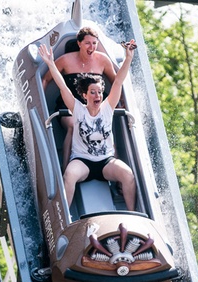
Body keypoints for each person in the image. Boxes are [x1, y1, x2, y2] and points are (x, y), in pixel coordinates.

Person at [39, 39, 138, 211]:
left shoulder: (108, 107)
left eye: (99, 92)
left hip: (106, 162)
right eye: (93, 92)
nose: (97, 95)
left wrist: (128, 57)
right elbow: (63, 87)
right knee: (69, 175)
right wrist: (49, 63)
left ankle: (133, 214)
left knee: (128, 175)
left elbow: (118, 81)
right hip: (82, 161)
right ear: (85, 95)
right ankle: (65, 219)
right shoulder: (78, 109)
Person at [42, 27, 117, 168]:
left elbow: (116, 81)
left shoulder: (103, 60)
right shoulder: (65, 60)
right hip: (70, 105)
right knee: (73, 125)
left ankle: (113, 163)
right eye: (88, 43)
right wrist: (39, 103)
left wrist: (122, 102)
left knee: (105, 126)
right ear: (79, 43)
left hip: (95, 106)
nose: (92, 47)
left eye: (94, 43)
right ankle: (65, 167)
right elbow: (45, 79)